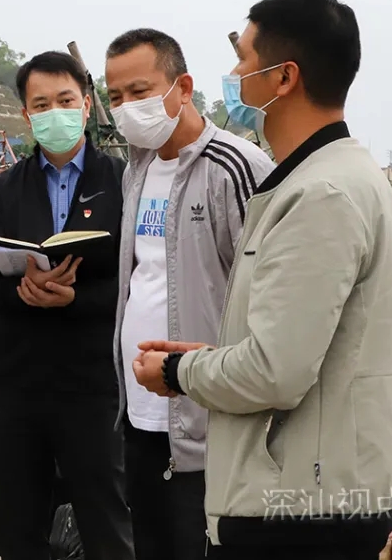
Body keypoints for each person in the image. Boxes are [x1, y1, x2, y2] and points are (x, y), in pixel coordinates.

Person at [133, 0, 392, 560]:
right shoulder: (329, 177)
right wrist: (214, 356)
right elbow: (298, 348)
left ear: (283, 77)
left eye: (243, 59)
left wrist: (178, 371)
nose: (234, 75)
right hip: (320, 494)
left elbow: (273, 373)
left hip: (301, 509)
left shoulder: (320, 195)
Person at [104, 29, 274, 560]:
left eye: (140, 91)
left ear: (183, 87)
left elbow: (267, 294)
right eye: (115, 97)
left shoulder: (236, 166)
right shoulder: (137, 168)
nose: (127, 108)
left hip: (208, 420)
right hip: (140, 413)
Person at [0, 51, 133, 560]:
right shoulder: (5, 188)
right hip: (18, 381)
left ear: (86, 105)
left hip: (93, 382)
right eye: (41, 105)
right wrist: (22, 291)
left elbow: (139, 279)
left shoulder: (124, 180)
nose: (54, 113)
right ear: (26, 114)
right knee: (20, 522)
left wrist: (75, 297)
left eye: (65, 100)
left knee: (106, 519)